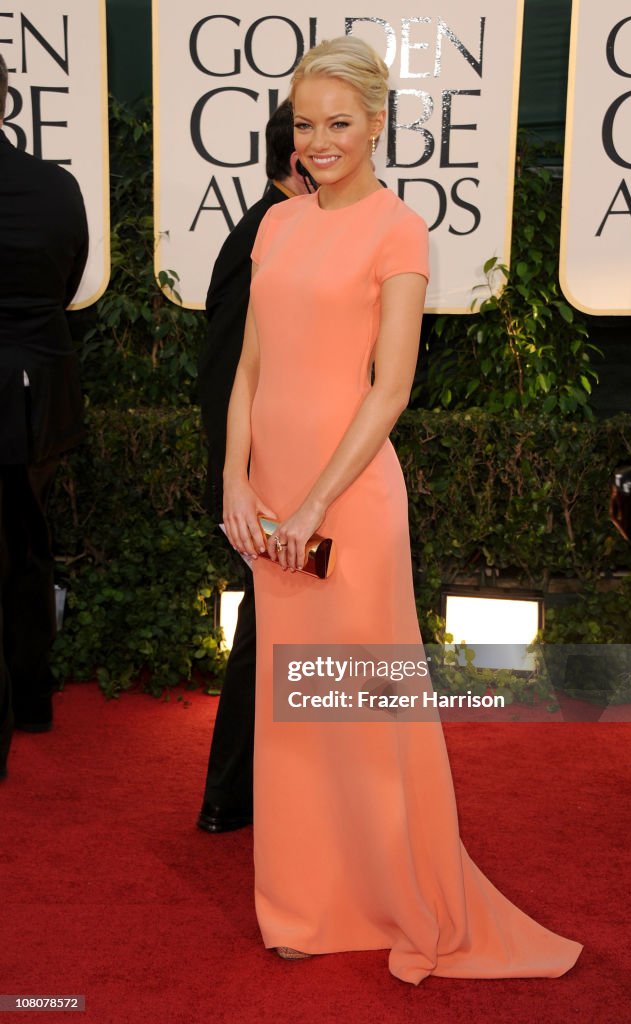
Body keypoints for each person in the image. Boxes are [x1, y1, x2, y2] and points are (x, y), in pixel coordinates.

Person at [222, 37, 582, 984]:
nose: (319, 142)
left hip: (349, 504)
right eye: (305, 124)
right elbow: (250, 368)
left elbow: (389, 390)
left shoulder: (399, 229)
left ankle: (391, 896)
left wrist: (311, 504)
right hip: (269, 506)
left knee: (362, 713)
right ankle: (301, 903)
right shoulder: (275, 225)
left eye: (339, 123)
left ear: (378, 123)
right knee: (292, 713)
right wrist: (236, 484)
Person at [196, 100, 312, 832]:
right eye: (319, 130)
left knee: (276, 629)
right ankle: (229, 798)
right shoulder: (265, 239)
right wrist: (240, 484)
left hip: (286, 469)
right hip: (266, 477)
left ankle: (247, 796)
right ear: (297, 157)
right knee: (266, 629)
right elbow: (229, 379)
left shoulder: (288, 230)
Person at [0, 53, 89, 778]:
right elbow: (69, 282)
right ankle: (31, 700)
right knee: (26, 545)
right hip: (38, 398)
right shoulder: (56, 187)